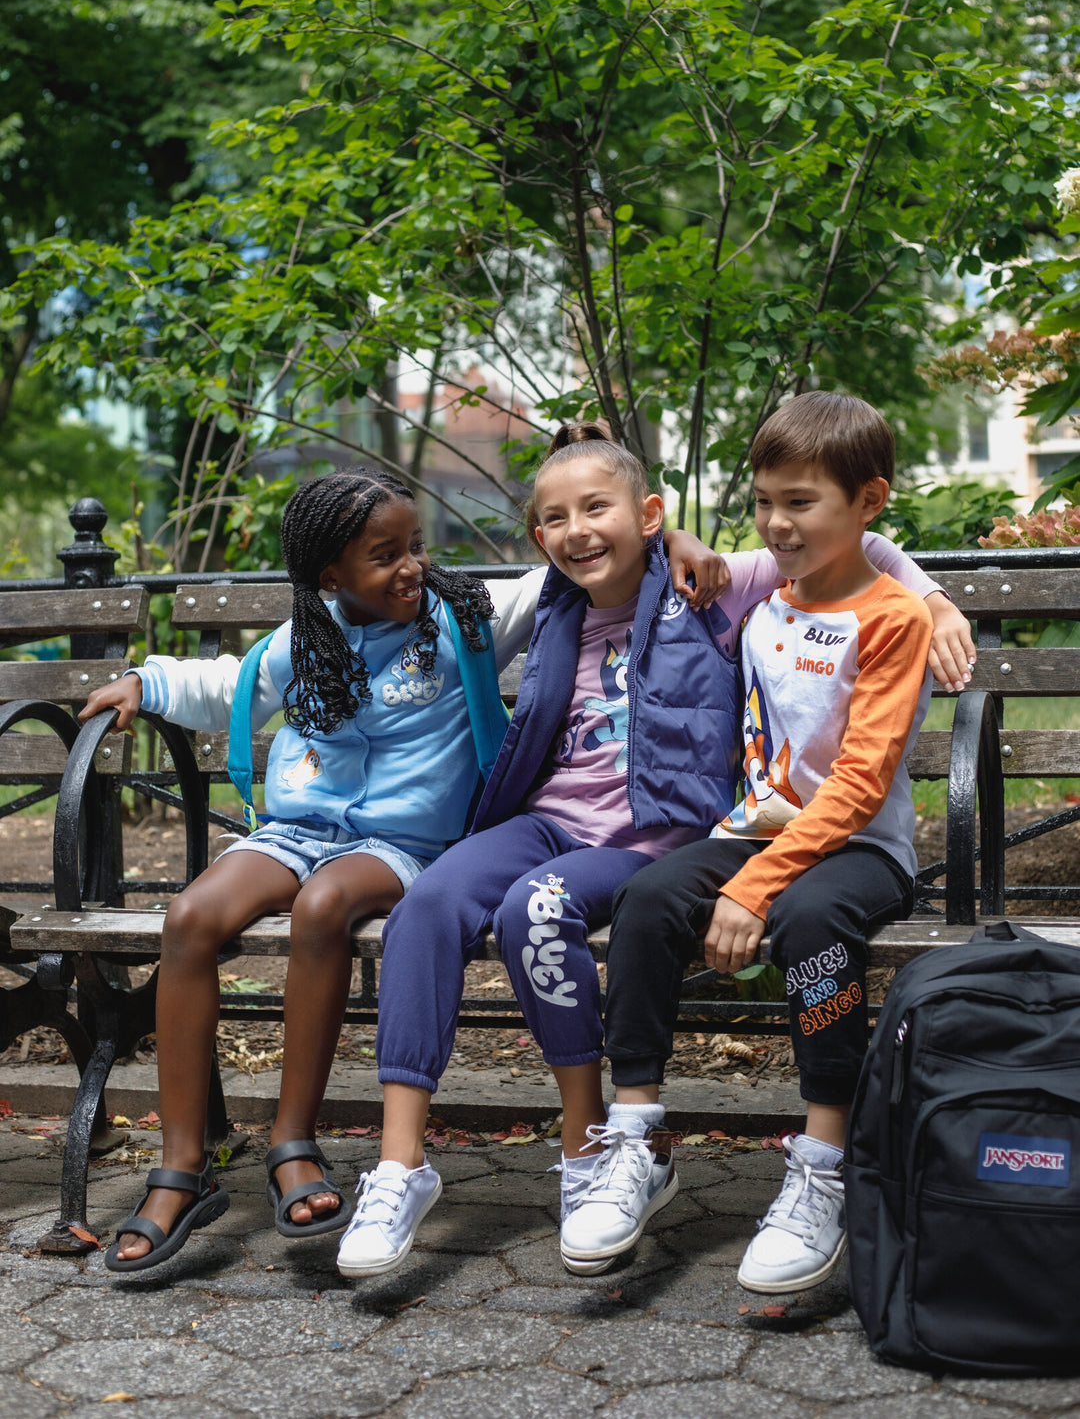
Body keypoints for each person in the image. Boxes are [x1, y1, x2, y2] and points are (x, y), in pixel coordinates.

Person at [335, 421, 974, 1280]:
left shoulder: (738, 587)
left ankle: (800, 1157)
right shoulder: (569, 597)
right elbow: (805, 532)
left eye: (599, 508)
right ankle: (447, 1158)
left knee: (792, 924)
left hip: (760, 839)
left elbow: (858, 548)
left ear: (646, 514)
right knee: (479, 903)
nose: (576, 530)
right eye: (556, 518)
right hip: (656, 827)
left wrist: (933, 598)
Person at [82, 466, 719, 1272]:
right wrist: (149, 680)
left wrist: (675, 536)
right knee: (189, 920)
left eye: (414, 547)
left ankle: (293, 1142)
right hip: (296, 830)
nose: (411, 567)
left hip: (397, 848)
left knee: (323, 907)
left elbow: (565, 563)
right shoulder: (301, 641)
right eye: (385, 556)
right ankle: (180, 1166)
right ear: (330, 578)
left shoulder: (458, 623)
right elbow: (227, 685)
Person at [560, 392, 944, 1291]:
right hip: (756, 833)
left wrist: (752, 889)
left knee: (812, 930)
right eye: (765, 500)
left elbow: (857, 784)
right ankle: (639, 1138)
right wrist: (683, 542)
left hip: (861, 850)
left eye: (801, 502)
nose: (777, 523)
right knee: (650, 900)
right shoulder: (764, 593)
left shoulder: (894, 618)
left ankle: (823, 1158)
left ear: (868, 503)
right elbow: (651, 545)